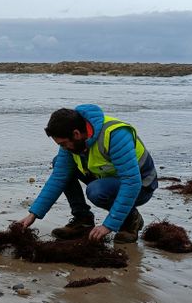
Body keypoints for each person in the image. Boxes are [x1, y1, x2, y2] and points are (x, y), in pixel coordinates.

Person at [16, 104, 157, 243]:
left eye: (63, 144)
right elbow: (59, 178)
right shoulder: (73, 138)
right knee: (59, 161)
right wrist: (33, 214)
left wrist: (109, 225)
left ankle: (131, 220)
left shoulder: (115, 134)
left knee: (96, 191)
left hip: (141, 185)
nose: (63, 147)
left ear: (76, 134)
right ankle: (82, 220)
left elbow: (131, 182)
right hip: (105, 178)